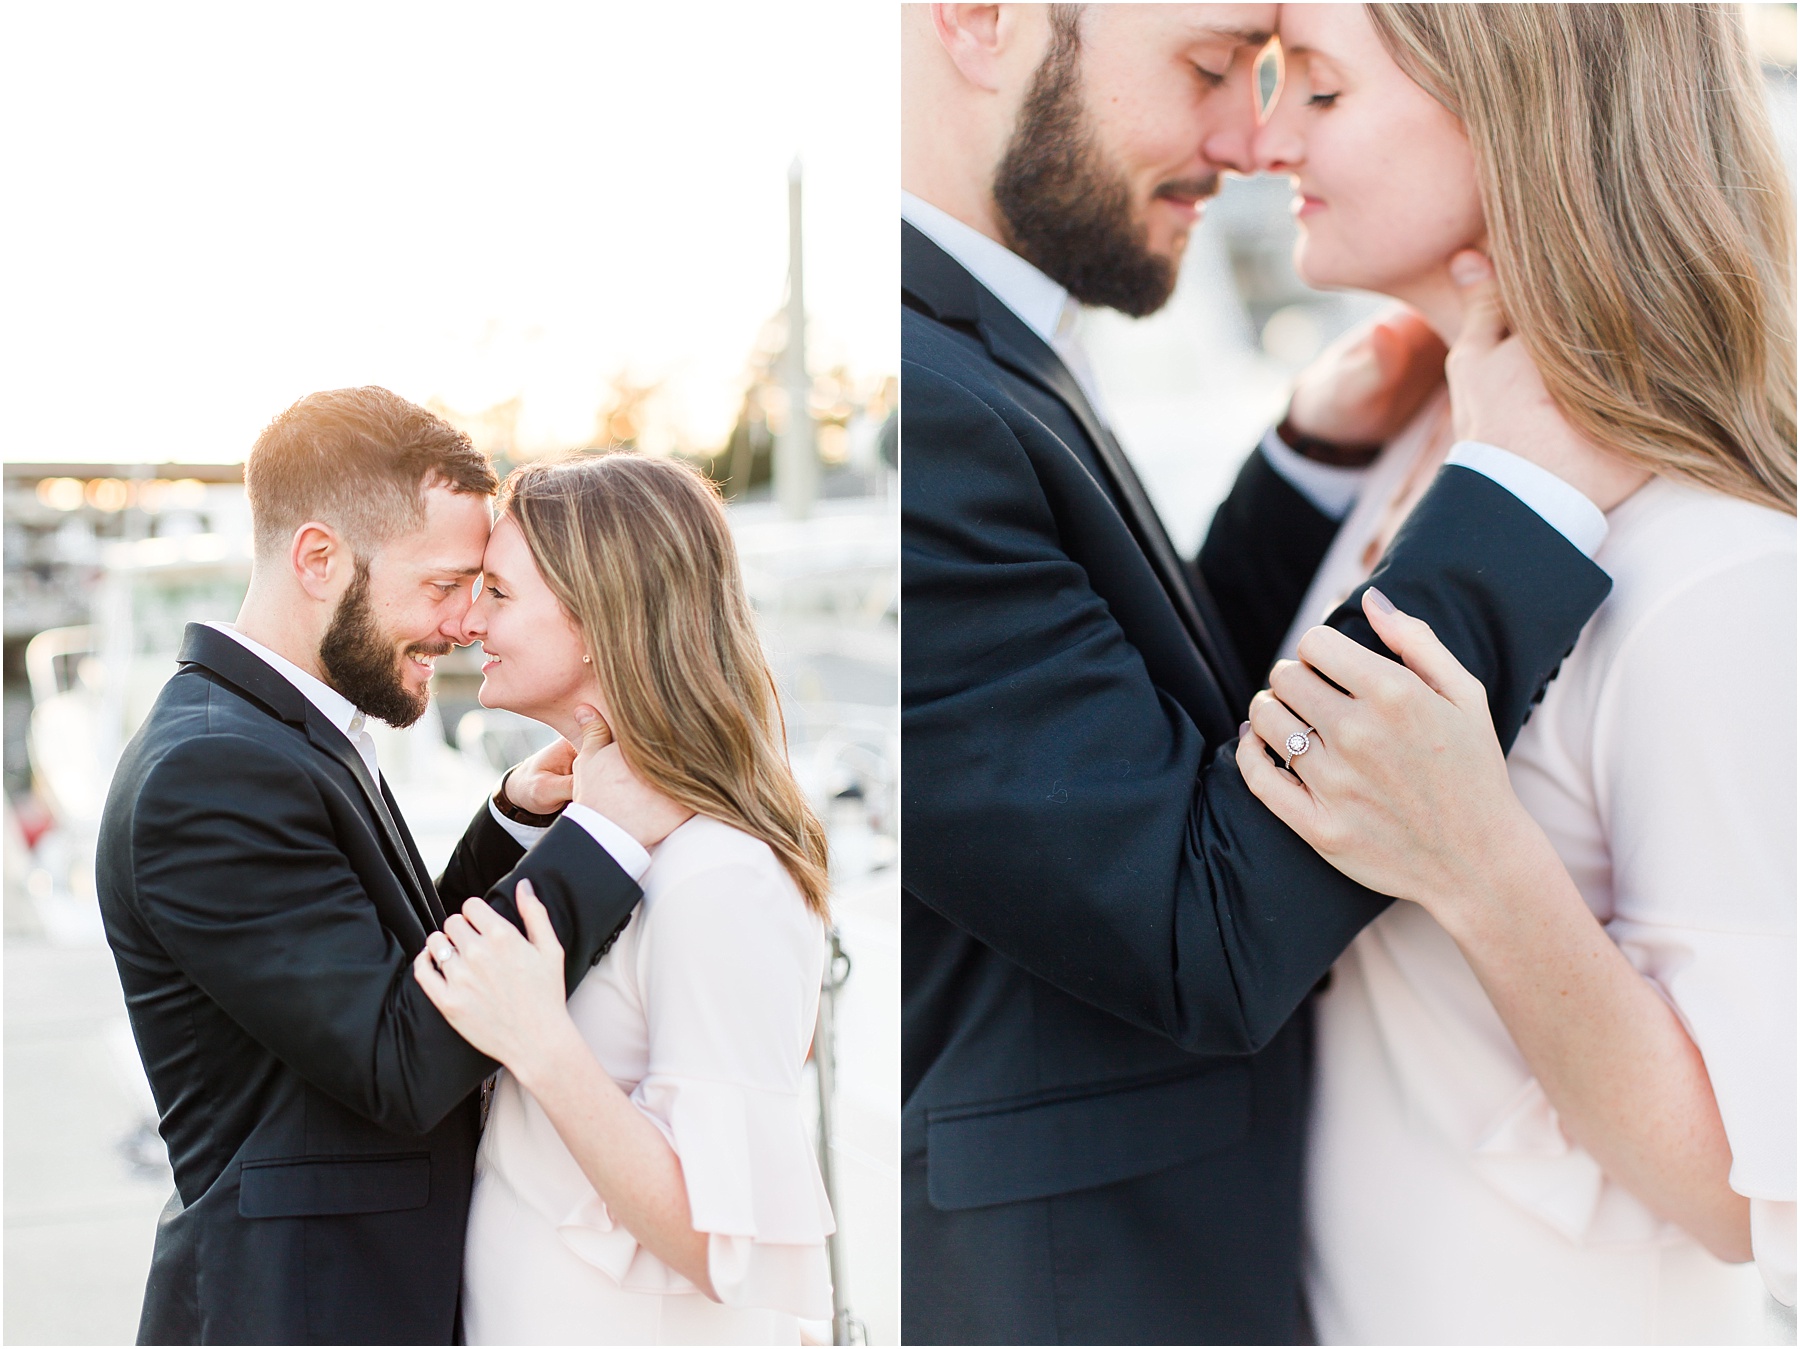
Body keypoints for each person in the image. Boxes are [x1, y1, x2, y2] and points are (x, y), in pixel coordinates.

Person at [898, 3, 1655, 1342]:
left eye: (1291, 87)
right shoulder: (934, 400)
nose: (1250, 140)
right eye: (1209, 70)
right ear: (979, 22)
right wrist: (1523, 500)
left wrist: (1303, 473)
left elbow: (1124, 742)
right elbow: (1203, 926)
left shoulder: (984, 345)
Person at [1238, 5, 1796, 1341]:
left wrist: (1478, 863)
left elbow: (1748, 1194)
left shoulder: (1721, 576)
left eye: (1318, 93)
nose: (1264, 140)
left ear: (1513, 111)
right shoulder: (1419, 450)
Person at [95, 387, 687, 1344]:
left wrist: (508, 824)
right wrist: (608, 838)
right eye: (445, 583)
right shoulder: (211, 771)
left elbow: (391, 976)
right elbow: (401, 1059)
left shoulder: (279, 733)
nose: (463, 623)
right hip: (303, 1312)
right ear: (320, 558)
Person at [410, 453, 837, 1345]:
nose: (466, 619)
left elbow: (720, 1240)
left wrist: (539, 1044)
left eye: (498, 591)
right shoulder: (606, 844)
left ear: (599, 617)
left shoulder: (718, 874)